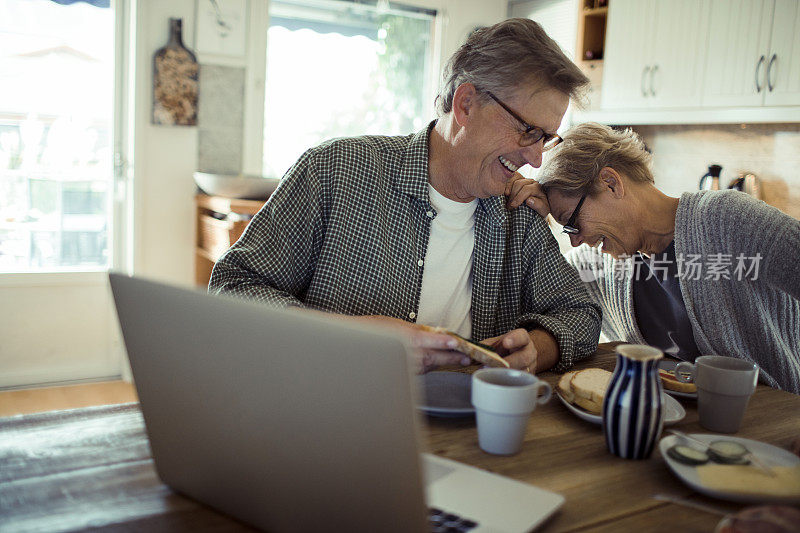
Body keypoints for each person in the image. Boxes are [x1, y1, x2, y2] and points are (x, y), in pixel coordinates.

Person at [209, 19, 601, 375]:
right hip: (324, 419)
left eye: (546, 139)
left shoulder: (518, 211)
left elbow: (582, 315)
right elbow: (232, 289)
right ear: (466, 104)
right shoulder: (333, 171)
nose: (535, 159)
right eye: (528, 131)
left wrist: (539, 348)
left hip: (464, 440)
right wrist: (360, 339)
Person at [508, 122, 800, 393]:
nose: (574, 239)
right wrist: (531, 216)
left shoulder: (725, 219)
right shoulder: (599, 264)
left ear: (611, 183)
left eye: (572, 222)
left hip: (769, 418)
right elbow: (531, 292)